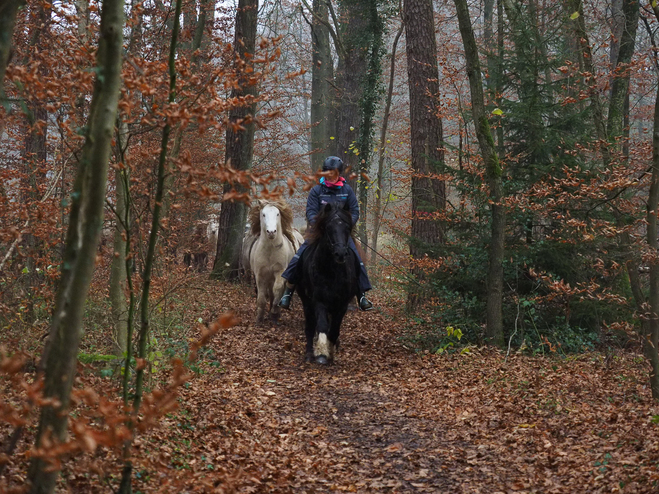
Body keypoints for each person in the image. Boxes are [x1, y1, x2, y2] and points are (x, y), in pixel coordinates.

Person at [278, 156, 374, 311]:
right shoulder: (317, 190)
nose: (331, 176)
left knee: (356, 256)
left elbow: (354, 211)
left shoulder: (346, 190)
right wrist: (319, 225)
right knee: (300, 255)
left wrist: (347, 224)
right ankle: (288, 291)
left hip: (341, 233)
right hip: (320, 232)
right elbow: (310, 211)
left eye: (334, 173)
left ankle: (361, 294)